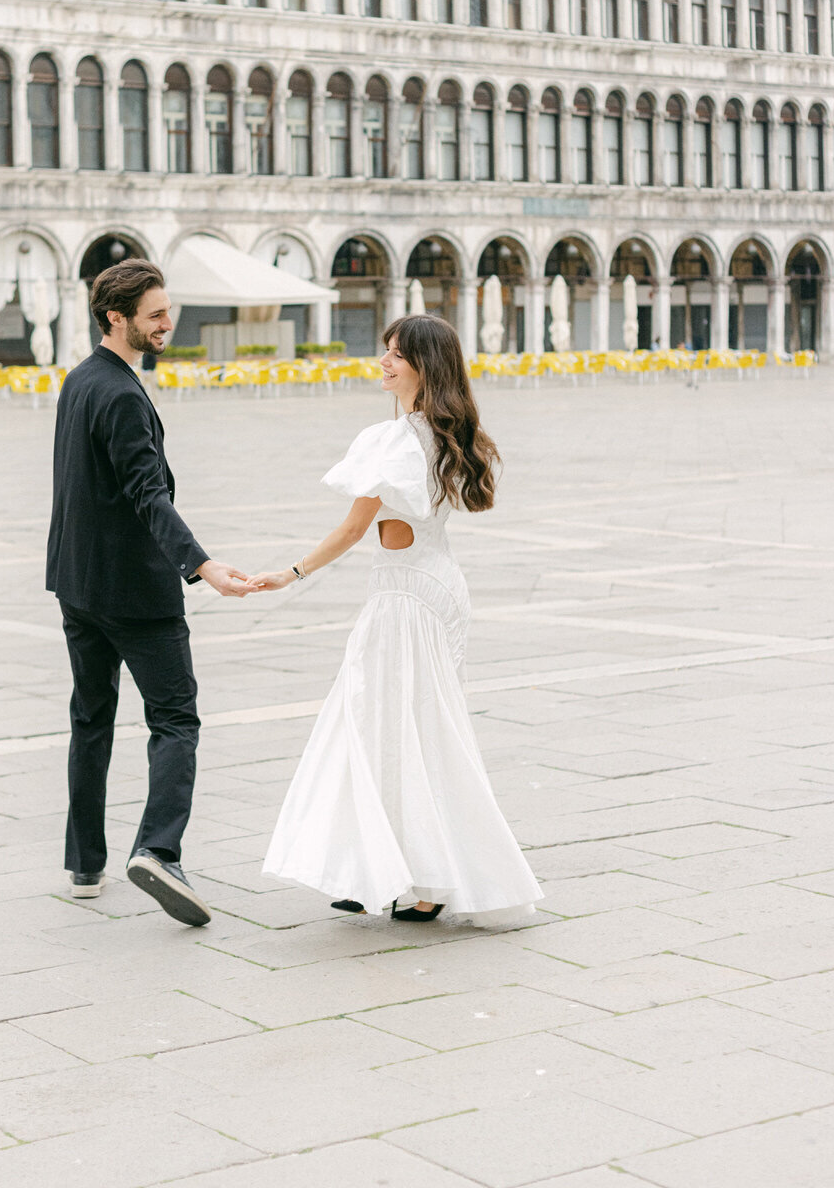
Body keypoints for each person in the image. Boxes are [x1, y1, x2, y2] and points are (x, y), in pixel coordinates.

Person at [253, 314, 543, 926]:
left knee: (385, 726)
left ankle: (414, 877)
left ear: (424, 367)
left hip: (404, 600)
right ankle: (382, 868)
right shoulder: (445, 434)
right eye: (384, 350)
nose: (383, 361)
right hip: (432, 587)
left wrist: (292, 573)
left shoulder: (394, 441)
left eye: (397, 354)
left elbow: (354, 529)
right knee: (404, 726)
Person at [46, 257, 254, 925]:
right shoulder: (123, 395)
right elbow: (147, 495)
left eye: (169, 311)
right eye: (156, 315)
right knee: (175, 719)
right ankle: (158, 851)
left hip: (77, 583)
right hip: (133, 591)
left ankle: (84, 864)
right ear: (117, 318)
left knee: (90, 719)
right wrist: (201, 564)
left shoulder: (81, 380)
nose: (169, 323)